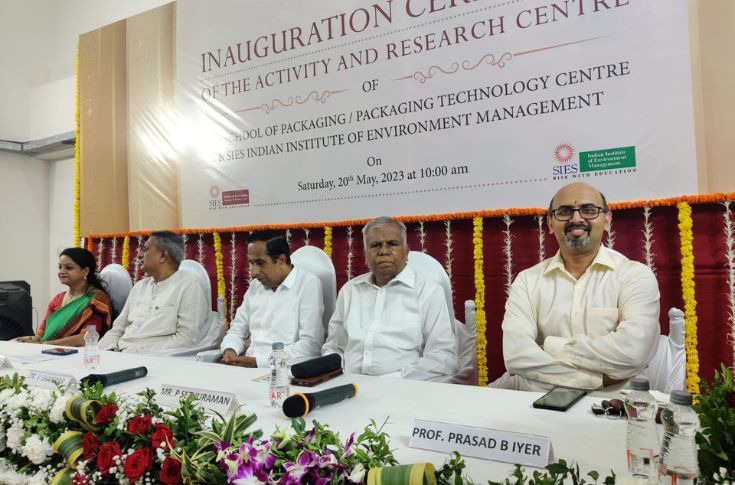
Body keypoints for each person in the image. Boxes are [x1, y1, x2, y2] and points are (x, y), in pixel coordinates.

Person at [492, 182, 660, 391]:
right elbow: (517, 356)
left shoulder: (634, 276)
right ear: (550, 224)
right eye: (565, 211)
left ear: (607, 220)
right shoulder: (527, 281)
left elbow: (632, 353)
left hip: (613, 403)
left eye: (589, 210)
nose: (576, 219)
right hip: (535, 402)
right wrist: (597, 380)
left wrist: (550, 346)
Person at [322, 216, 458, 381]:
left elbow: (443, 357)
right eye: (375, 245)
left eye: (392, 244)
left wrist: (394, 379)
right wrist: (337, 374)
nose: (383, 251)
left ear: (406, 252)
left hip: (403, 387)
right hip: (347, 385)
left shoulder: (428, 291)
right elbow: (334, 346)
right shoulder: (350, 290)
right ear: (365, 255)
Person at [220, 231, 324, 367]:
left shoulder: (308, 284)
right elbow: (237, 329)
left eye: (260, 263)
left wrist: (258, 362)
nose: (254, 272)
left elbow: (311, 345)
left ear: (281, 260)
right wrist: (230, 349)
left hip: (284, 370)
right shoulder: (256, 286)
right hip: (246, 367)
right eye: (251, 263)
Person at [98, 230, 208, 353]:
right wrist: (110, 348)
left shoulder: (189, 285)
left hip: (156, 359)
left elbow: (187, 340)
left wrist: (134, 352)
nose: (139, 254)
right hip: (120, 354)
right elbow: (117, 329)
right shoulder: (139, 287)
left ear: (163, 256)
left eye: (145, 249)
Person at [17, 248, 112, 347]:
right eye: (60, 267)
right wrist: (30, 341)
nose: (61, 271)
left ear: (85, 271)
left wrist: (45, 344)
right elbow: (40, 335)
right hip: (47, 349)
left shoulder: (97, 300)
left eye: (68, 268)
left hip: (77, 353)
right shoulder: (58, 299)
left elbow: (85, 338)